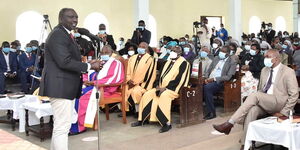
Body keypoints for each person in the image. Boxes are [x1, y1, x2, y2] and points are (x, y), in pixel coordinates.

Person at [38, 8, 101, 150]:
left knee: (60, 126)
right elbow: (64, 62)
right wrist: (88, 66)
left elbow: (68, 58)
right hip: (61, 86)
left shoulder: (65, 34)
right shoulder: (58, 35)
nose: (75, 20)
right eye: (70, 17)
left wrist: (88, 63)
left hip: (64, 86)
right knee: (62, 127)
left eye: (76, 17)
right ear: (61, 19)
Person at [213, 50, 299, 150]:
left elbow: (294, 94)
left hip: (280, 103)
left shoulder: (288, 71)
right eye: (265, 56)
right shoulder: (264, 70)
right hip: (266, 102)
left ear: (276, 59)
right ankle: (245, 145)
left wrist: (284, 112)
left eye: (268, 56)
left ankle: (230, 123)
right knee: (252, 111)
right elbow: (261, 89)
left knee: (255, 95)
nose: (265, 58)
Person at [131, 46, 190, 133]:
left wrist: (165, 88)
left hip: (173, 89)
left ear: (180, 53)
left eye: (175, 51)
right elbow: (160, 76)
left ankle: (166, 123)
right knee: (147, 94)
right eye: (172, 50)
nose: (172, 52)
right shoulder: (167, 62)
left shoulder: (184, 63)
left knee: (164, 96)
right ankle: (142, 119)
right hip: (161, 87)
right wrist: (157, 85)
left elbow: (180, 79)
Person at [70, 45, 124, 134]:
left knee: (83, 97)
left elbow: (114, 78)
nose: (104, 54)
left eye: (107, 53)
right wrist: (85, 80)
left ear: (111, 53)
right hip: (94, 87)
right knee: (76, 93)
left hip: (106, 90)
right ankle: (72, 124)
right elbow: (90, 74)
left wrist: (93, 83)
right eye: (102, 53)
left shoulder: (116, 63)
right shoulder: (100, 62)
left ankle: (80, 126)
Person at [203, 46, 237, 120]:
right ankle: (199, 110)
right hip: (209, 79)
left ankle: (211, 112)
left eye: (223, 52)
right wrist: (206, 78)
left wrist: (214, 79)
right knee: (197, 86)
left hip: (221, 82)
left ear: (228, 54)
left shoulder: (232, 62)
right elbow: (208, 70)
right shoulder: (216, 58)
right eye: (220, 51)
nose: (220, 53)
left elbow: (228, 77)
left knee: (207, 88)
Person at [125, 42, 157, 117]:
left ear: (147, 49)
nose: (141, 48)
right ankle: (128, 110)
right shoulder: (132, 58)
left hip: (142, 84)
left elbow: (149, 74)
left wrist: (135, 83)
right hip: (130, 83)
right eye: (140, 46)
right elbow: (128, 71)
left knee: (136, 91)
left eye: (143, 47)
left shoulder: (150, 59)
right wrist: (129, 80)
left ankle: (138, 111)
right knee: (125, 89)